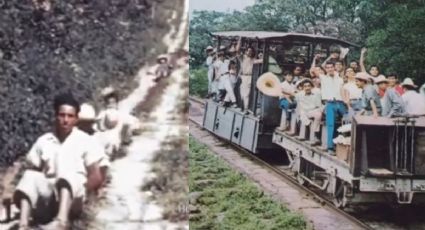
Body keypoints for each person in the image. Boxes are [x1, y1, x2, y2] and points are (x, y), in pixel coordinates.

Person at [13, 93, 109, 230]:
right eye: (61, 115)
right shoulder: (44, 140)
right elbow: (31, 168)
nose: (65, 120)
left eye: (70, 116)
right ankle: (23, 225)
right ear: (55, 116)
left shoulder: (85, 140)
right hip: (49, 198)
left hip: (74, 197)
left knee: (68, 174)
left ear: (76, 119)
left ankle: (61, 222)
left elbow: (96, 175)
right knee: (29, 176)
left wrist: (85, 194)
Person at [312, 61, 346, 154]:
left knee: (348, 120)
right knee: (330, 124)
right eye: (328, 67)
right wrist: (316, 59)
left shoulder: (339, 78)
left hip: (340, 103)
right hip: (330, 103)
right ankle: (330, 147)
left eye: (331, 67)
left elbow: (343, 91)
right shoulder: (323, 78)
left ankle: (346, 145)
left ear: (334, 67)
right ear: (325, 69)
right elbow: (313, 70)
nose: (330, 69)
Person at [236, 37, 262, 112]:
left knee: (246, 94)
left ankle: (246, 109)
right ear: (246, 51)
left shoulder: (253, 60)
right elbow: (237, 50)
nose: (250, 52)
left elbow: (262, 60)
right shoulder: (243, 58)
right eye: (248, 51)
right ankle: (243, 107)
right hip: (243, 77)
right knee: (242, 93)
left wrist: (261, 56)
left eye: (251, 51)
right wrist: (240, 39)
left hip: (249, 77)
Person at [296, 79, 323, 145]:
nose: (307, 88)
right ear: (303, 87)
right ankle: (315, 136)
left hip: (314, 110)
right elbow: (301, 107)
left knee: (319, 113)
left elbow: (318, 105)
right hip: (305, 112)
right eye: (305, 86)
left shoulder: (316, 94)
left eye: (309, 86)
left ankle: (316, 136)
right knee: (318, 114)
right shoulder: (299, 95)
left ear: (311, 87)